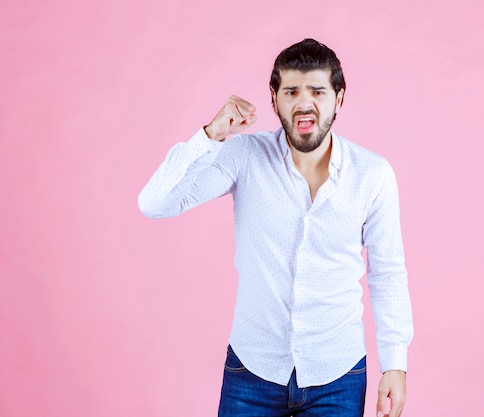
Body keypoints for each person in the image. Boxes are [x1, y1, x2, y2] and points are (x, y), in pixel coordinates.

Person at [138, 38, 413, 417]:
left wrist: (395, 364)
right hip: (252, 370)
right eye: (291, 91)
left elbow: (388, 273)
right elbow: (155, 204)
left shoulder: (373, 174)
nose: (304, 103)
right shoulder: (243, 156)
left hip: (339, 374)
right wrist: (210, 135)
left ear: (339, 97)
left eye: (317, 90)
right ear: (273, 98)